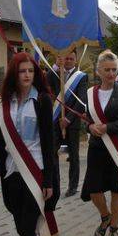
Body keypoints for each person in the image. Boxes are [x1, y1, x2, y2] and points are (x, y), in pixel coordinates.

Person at [0, 52, 59, 236]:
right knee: (22, 229)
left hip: (35, 171)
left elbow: (48, 142)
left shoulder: (43, 100)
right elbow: (2, 143)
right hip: (11, 172)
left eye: (30, 70)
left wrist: (48, 180)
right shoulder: (4, 103)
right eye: (22, 71)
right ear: (14, 74)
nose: (27, 75)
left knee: (28, 229)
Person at [81, 50, 118, 236]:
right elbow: (86, 119)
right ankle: (105, 216)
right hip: (97, 148)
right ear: (98, 72)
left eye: (114, 69)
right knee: (94, 189)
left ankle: (114, 229)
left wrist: (107, 127)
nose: (111, 74)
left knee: (115, 189)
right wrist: (89, 127)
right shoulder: (90, 93)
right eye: (107, 70)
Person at [46, 50, 88, 197]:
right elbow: (47, 80)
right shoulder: (57, 73)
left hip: (72, 121)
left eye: (71, 58)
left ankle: (72, 186)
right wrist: (56, 65)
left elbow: (82, 101)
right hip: (56, 118)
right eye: (66, 58)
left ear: (76, 60)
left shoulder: (81, 77)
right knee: (52, 152)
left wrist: (68, 118)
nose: (69, 61)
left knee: (74, 155)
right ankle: (54, 182)